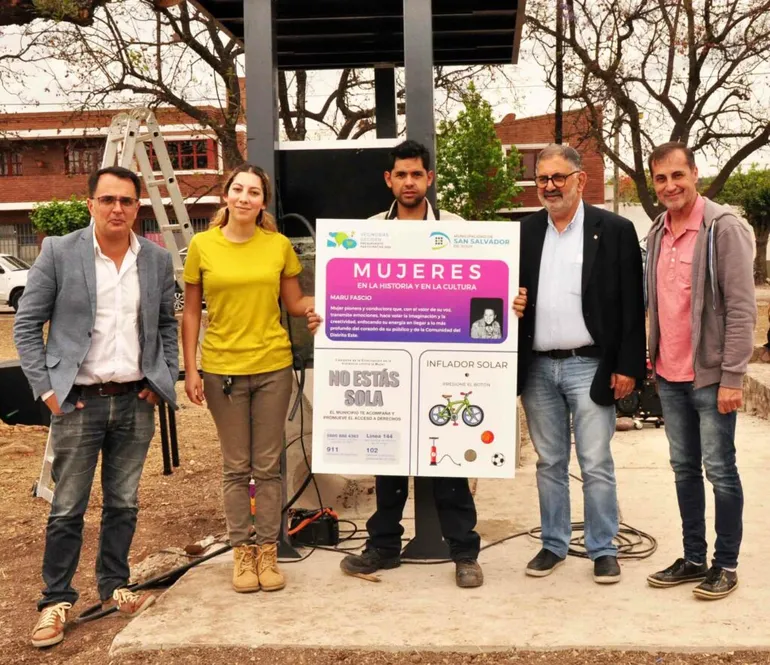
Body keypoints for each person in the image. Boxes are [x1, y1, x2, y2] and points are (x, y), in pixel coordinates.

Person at [14, 166, 179, 648]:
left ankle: (116, 586)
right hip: (77, 402)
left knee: (123, 503)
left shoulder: (154, 259)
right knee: (67, 508)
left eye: (127, 201)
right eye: (108, 200)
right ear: (90, 204)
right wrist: (46, 391)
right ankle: (55, 601)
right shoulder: (59, 252)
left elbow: (167, 325)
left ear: (138, 206)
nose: (117, 209)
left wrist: (160, 378)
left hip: (134, 402)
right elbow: (28, 325)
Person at [339, 139, 484, 588]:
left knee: (450, 460)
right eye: (400, 174)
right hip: (391, 365)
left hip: (444, 364)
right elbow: (350, 292)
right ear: (389, 179)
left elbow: (482, 292)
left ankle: (464, 553)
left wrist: (509, 302)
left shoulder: (458, 229)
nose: (408, 182)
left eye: (416, 174)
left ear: (429, 179)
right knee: (389, 458)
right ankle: (383, 546)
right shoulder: (366, 232)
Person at [182, 163, 317, 594]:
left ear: (263, 201)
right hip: (222, 369)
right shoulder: (202, 246)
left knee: (268, 467)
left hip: (273, 367)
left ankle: (267, 551)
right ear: (226, 195)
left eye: (253, 192)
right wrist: (191, 368)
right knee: (236, 467)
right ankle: (242, 553)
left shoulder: (277, 247)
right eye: (237, 189)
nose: (244, 197)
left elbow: (294, 302)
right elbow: (190, 312)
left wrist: (331, 301)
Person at [516, 144, 646, 584]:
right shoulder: (525, 233)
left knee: (595, 462)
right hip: (537, 368)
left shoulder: (615, 230)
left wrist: (628, 367)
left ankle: (603, 548)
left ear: (580, 180)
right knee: (549, 461)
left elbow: (633, 306)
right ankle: (553, 544)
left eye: (558, 178)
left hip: (590, 365)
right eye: (542, 180)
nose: (550, 187)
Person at [645, 143, 756, 600]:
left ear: (694, 173)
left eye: (677, 175)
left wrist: (733, 376)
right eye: (660, 179)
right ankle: (693, 558)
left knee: (721, 471)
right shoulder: (656, 231)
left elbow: (742, 308)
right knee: (683, 469)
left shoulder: (723, 228)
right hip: (669, 375)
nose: (670, 185)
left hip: (711, 379)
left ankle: (725, 564)